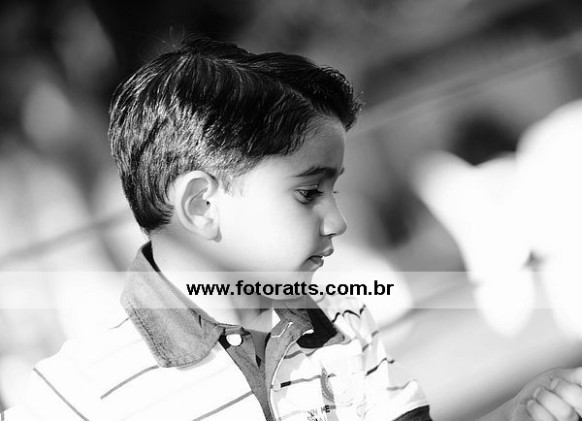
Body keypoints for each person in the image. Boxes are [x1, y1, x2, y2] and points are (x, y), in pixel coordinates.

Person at [2, 37, 582, 421]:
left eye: (334, 190)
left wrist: (516, 413)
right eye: (308, 193)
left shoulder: (341, 319)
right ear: (201, 205)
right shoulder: (76, 391)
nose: (337, 220)